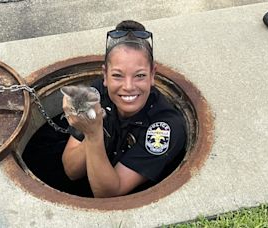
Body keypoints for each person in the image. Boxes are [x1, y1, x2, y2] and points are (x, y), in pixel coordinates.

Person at [61, 20, 186, 198]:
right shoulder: (98, 94)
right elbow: (71, 171)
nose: (128, 86)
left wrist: (94, 133)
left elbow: (109, 194)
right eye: (117, 76)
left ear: (152, 75)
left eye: (140, 76)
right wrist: (89, 129)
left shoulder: (165, 127)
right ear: (105, 76)